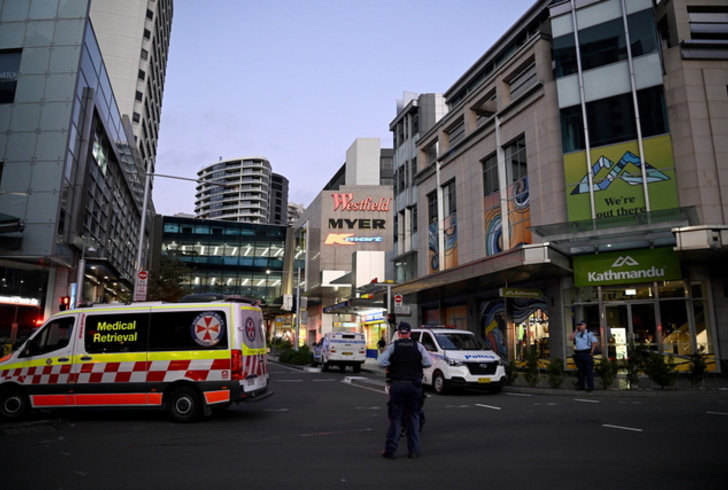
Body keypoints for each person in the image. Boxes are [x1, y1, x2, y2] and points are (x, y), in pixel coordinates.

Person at [377, 322, 432, 459]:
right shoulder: (418, 346)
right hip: (414, 386)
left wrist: (392, 362)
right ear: (410, 333)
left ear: (399, 333)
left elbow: (381, 362)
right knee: (413, 416)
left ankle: (390, 450)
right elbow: (428, 363)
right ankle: (413, 450)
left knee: (395, 418)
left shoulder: (393, 347)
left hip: (397, 385)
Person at [568, 321, 598, 392]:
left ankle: (590, 387)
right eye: (578, 325)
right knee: (580, 371)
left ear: (585, 325)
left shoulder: (589, 333)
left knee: (588, 371)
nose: (579, 326)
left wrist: (592, 351)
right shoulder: (577, 334)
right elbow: (570, 338)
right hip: (579, 353)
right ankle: (581, 386)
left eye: (580, 325)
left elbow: (594, 342)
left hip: (586, 352)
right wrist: (576, 331)